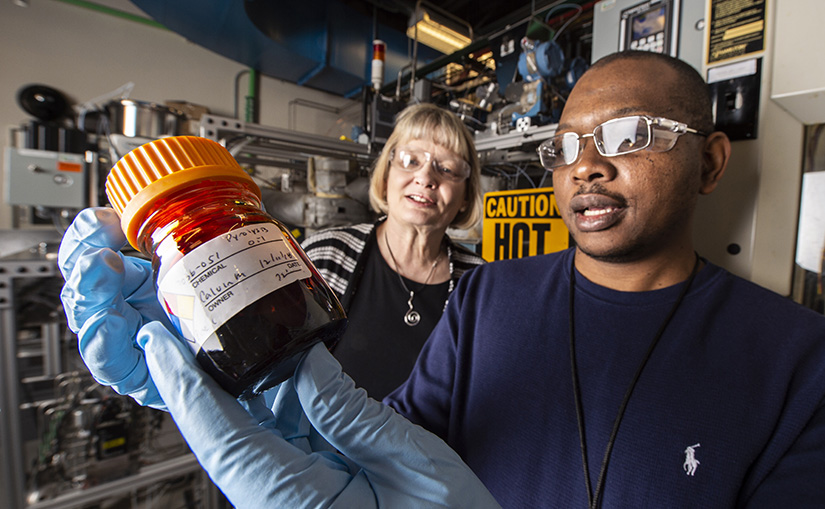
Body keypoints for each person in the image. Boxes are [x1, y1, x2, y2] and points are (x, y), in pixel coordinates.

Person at [57, 50, 825, 509]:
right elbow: (393, 441)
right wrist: (240, 400)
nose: (585, 163)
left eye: (627, 135)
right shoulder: (491, 297)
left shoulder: (798, 359)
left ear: (712, 162)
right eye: (566, 145)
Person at [302, 102, 486, 399]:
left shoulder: (480, 283)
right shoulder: (324, 256)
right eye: (411, 160)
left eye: (447, 168)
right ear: (387, 177)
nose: (426, 178)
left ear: (465, 196)